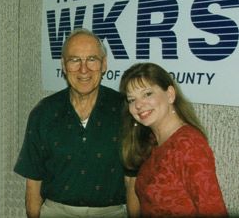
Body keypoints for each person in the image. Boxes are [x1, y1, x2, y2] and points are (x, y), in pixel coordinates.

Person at [14, 28, 129, 218]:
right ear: (64, 65)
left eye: (92, 59)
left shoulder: (125, 110)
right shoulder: (43, 112)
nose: (84, 69)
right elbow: (33, 183)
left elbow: (134, 182)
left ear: (104, 64)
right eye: (75, 60)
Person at [119, 62, 228, 217]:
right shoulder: (151, 142)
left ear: (170, 94)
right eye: (131, 99)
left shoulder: (188, 145)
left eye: (147, 94)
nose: (138, 105)